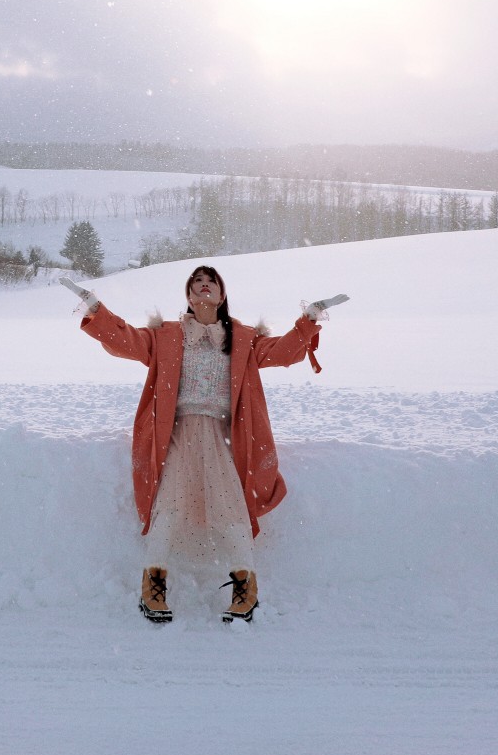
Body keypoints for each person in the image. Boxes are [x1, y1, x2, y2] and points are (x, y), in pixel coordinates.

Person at [78, 265, 325, 623]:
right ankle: (152, 587)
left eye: (211, 282)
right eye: (197, 283)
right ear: (189, 297)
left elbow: (284, 352)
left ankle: (245, 590)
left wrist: (310, 318)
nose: (204, 286)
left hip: (224, 435)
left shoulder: (243, 338)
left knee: (232, 511)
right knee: (169, 508)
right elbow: (127, 340)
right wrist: (95, 311)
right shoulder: (166, 335)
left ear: (222, 296)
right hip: (176, 435)